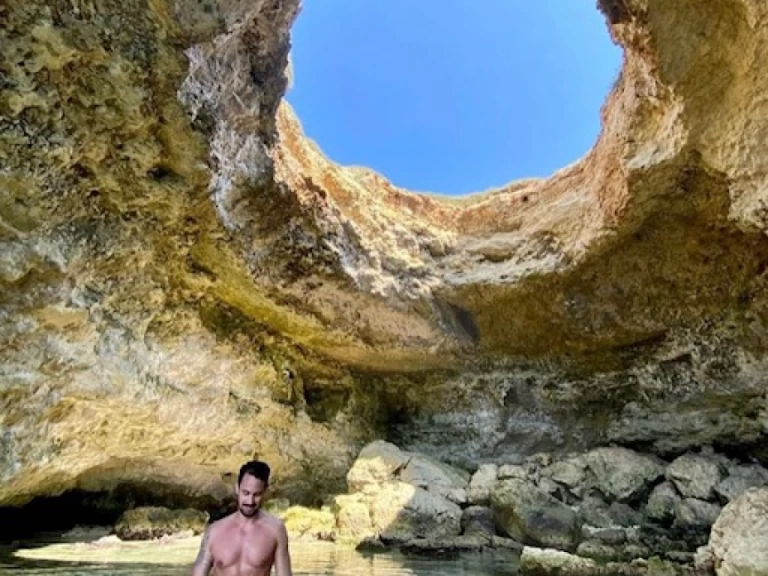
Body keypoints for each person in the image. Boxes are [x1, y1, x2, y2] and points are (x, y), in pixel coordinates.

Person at [192, 460, 293, 576]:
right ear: (237, 488)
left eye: (257, 495)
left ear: (265, 492)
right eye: (246, 493)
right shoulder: (214, 531)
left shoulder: (275, 530)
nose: (250, 501)